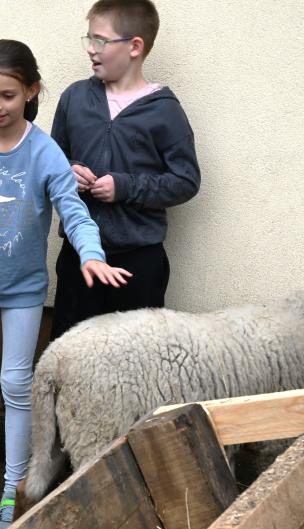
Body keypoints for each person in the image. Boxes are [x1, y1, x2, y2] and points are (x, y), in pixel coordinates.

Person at [0, 40, 130, 529]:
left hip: (22, 289)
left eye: (6, 95)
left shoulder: (45, 152)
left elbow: (75, 211)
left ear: (30, 91)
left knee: (16, 385)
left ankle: (14, 487)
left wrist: (92, 254)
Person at [50, 0, 201, 340]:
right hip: (79, 257)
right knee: (69, 353)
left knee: (136, 359)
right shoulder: (74, 98)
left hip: (138, 261)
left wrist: (126, 187)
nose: (91, 49)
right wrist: (68, 171)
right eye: (88, 39)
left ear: (135, 46)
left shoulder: (164, 112)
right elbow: (53, 157)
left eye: (101, 41)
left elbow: (186, 180)